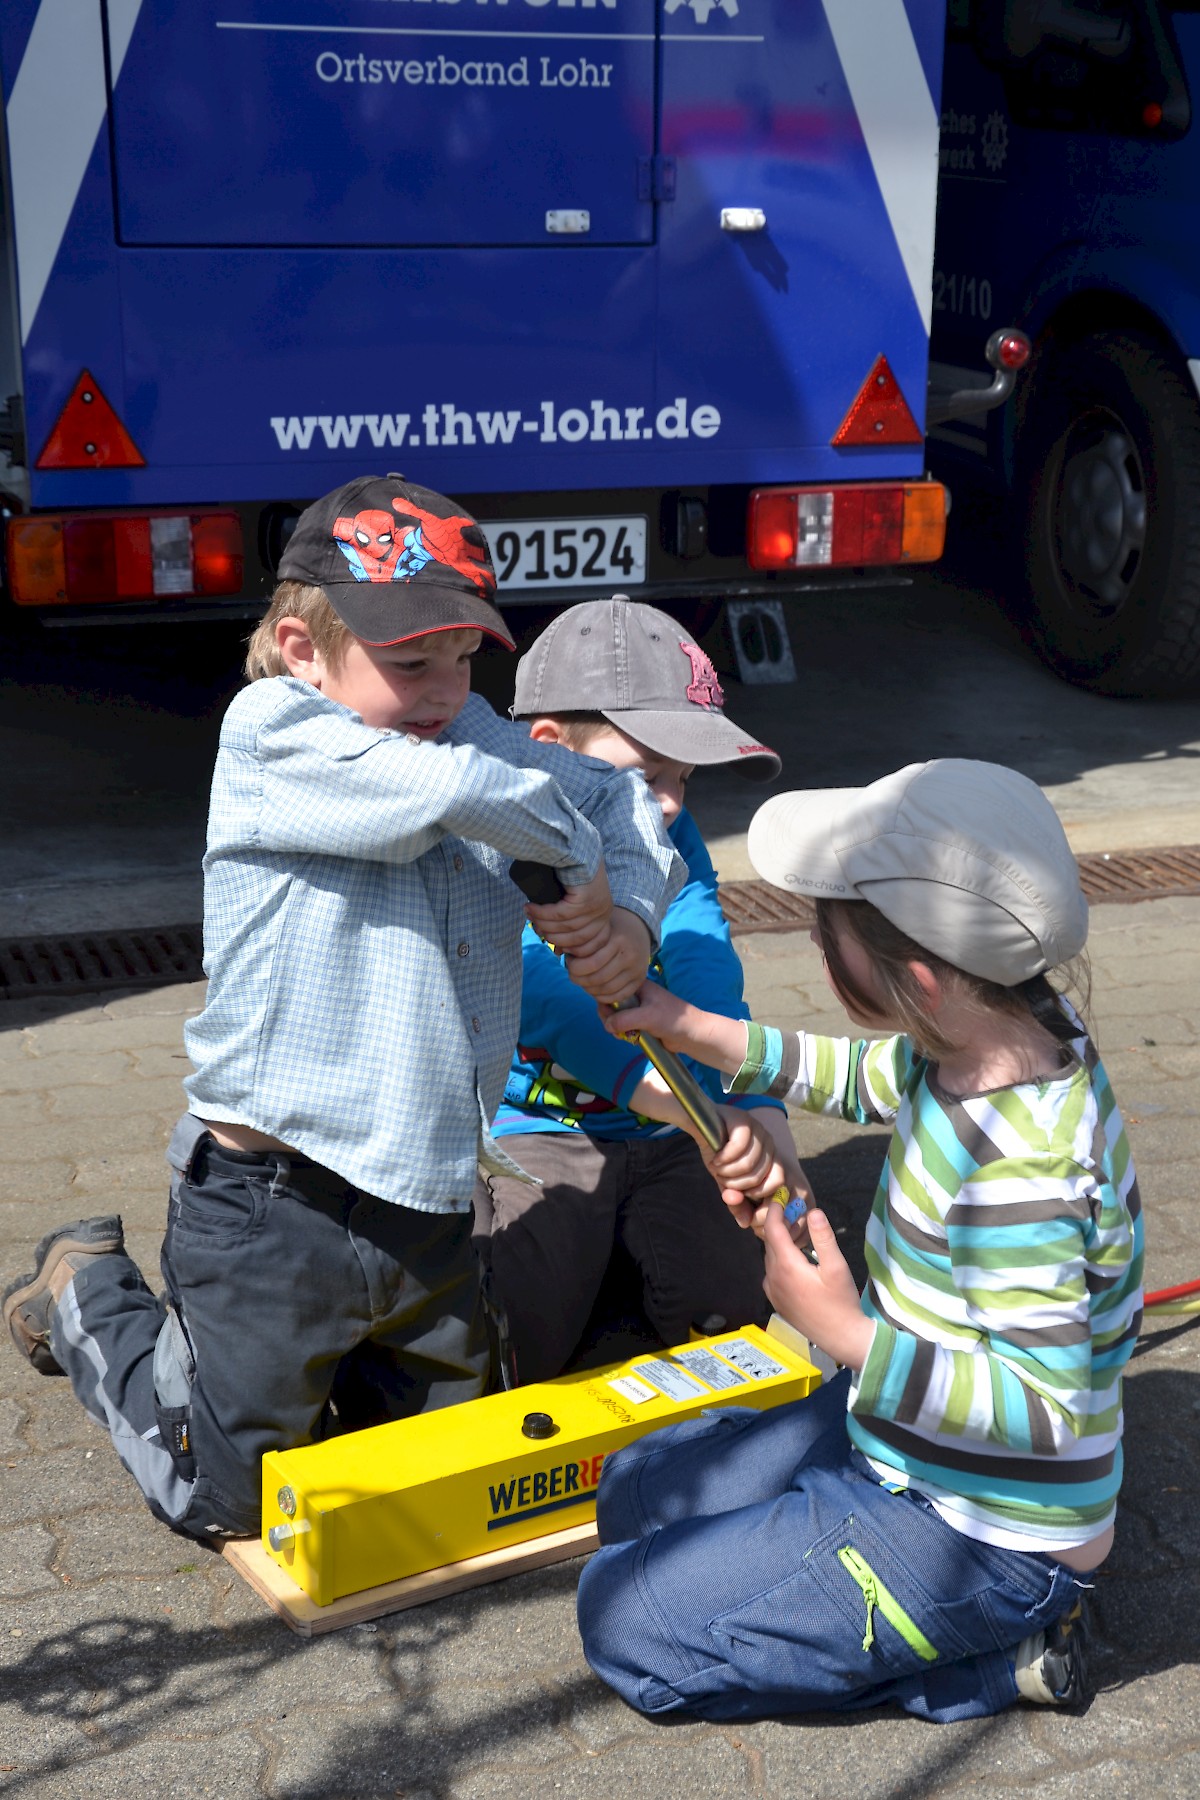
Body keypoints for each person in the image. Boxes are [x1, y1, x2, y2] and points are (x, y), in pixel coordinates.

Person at [2, 475, 685, 1542]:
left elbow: (620, 797)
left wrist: (628, 920)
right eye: (412, 661)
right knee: (226, 1501)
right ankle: (89, 1291)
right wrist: (576, 868)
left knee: (452, 1481)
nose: (446, 689)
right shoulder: (275, 730)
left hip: (426, 1194)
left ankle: (328, 1366)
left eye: (465, 659)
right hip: (270, 1204)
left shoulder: (458, 724)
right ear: (301, 647)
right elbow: (469, 797)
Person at [577, 759, 1144, 1721]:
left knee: (623, 1620)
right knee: (633, 1495)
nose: (812, 936)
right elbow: (865, 1077)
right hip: (899, 1436)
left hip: (989, 1536)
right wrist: (695, 1028)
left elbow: (1045, 1412)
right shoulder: (1001, 1026)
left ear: (918, 976)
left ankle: (1003, 1658)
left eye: (824, 928)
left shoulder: (1019, 1178)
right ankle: (829, 1534)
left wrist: (839, 1331)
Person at [474, 596, 807, 1383]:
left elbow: (704, 968)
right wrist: (692, 1110)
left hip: (672, 1122)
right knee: (511, 1345)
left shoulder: (672, 834)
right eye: (648, 775)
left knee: (736, 1313)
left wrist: (757, 1109)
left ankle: (626, 1258)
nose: (668, 804)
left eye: (683, 779)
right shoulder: (502, 845)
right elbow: (548, 997)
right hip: (538, 1128)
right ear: (550, 748)